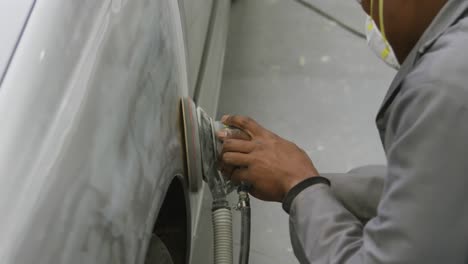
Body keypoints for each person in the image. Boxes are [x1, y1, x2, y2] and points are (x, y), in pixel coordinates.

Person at [217, 0, 468, 263]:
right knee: (345, 194)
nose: (369, 15)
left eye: (370, 5)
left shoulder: (442, 87)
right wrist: (311, 188)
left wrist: (299, 184)